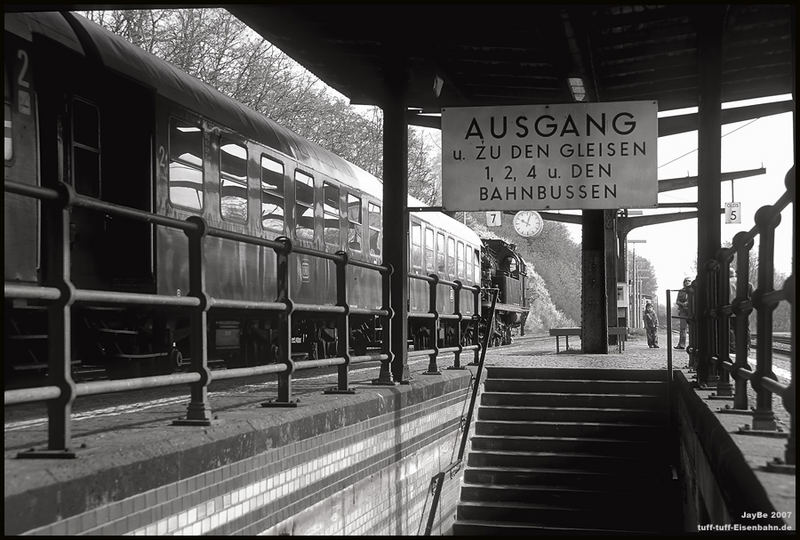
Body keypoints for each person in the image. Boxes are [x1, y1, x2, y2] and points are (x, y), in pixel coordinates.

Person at [674, 277, 691, 349]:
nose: (687, 282)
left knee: (693, 329)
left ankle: (693, 345)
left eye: (689, 281)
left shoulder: (694, 291)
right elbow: (677, 301)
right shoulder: (681, 291)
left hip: (691, 311)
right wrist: (682, 304)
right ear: (684, 282)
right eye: (686, 281)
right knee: (683, 328)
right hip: (683, 311)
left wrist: (689, 303)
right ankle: (681, 345)